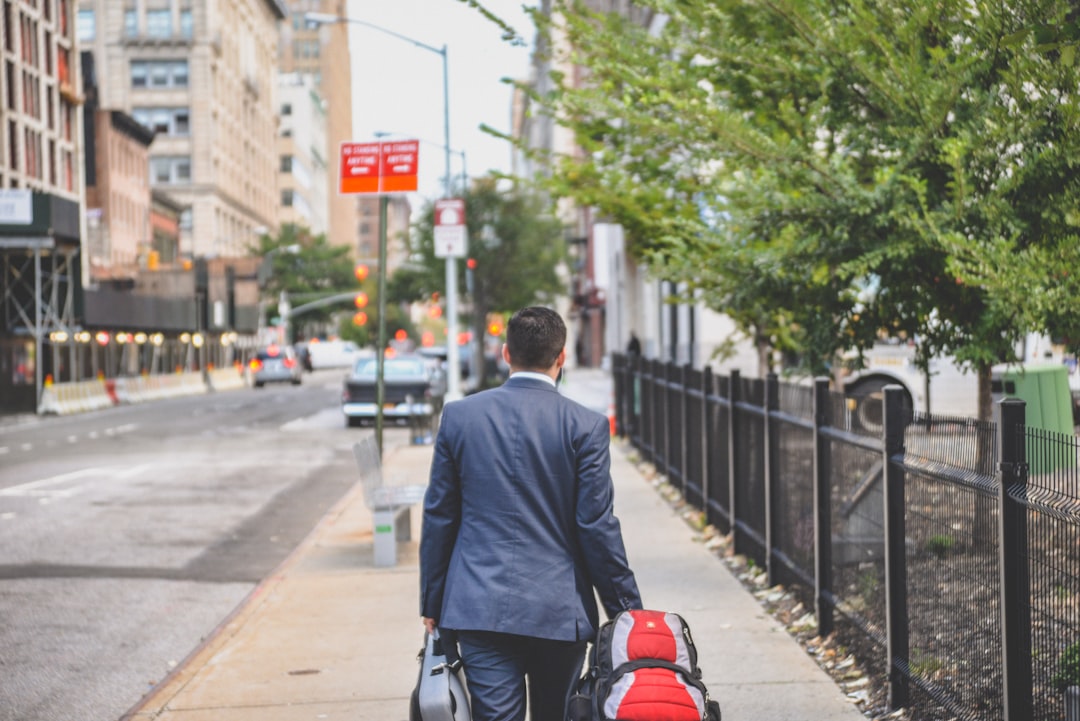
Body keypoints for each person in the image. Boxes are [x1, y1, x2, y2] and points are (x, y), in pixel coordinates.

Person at [419, 306, 642, 721]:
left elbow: (440, 516)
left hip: (479, 606)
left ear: (506, 354)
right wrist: (627, 610)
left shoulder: (460, 417)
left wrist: (432, 600)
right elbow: (596, 527)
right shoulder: (586, 426)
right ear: (561, 358)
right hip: (559, 611)